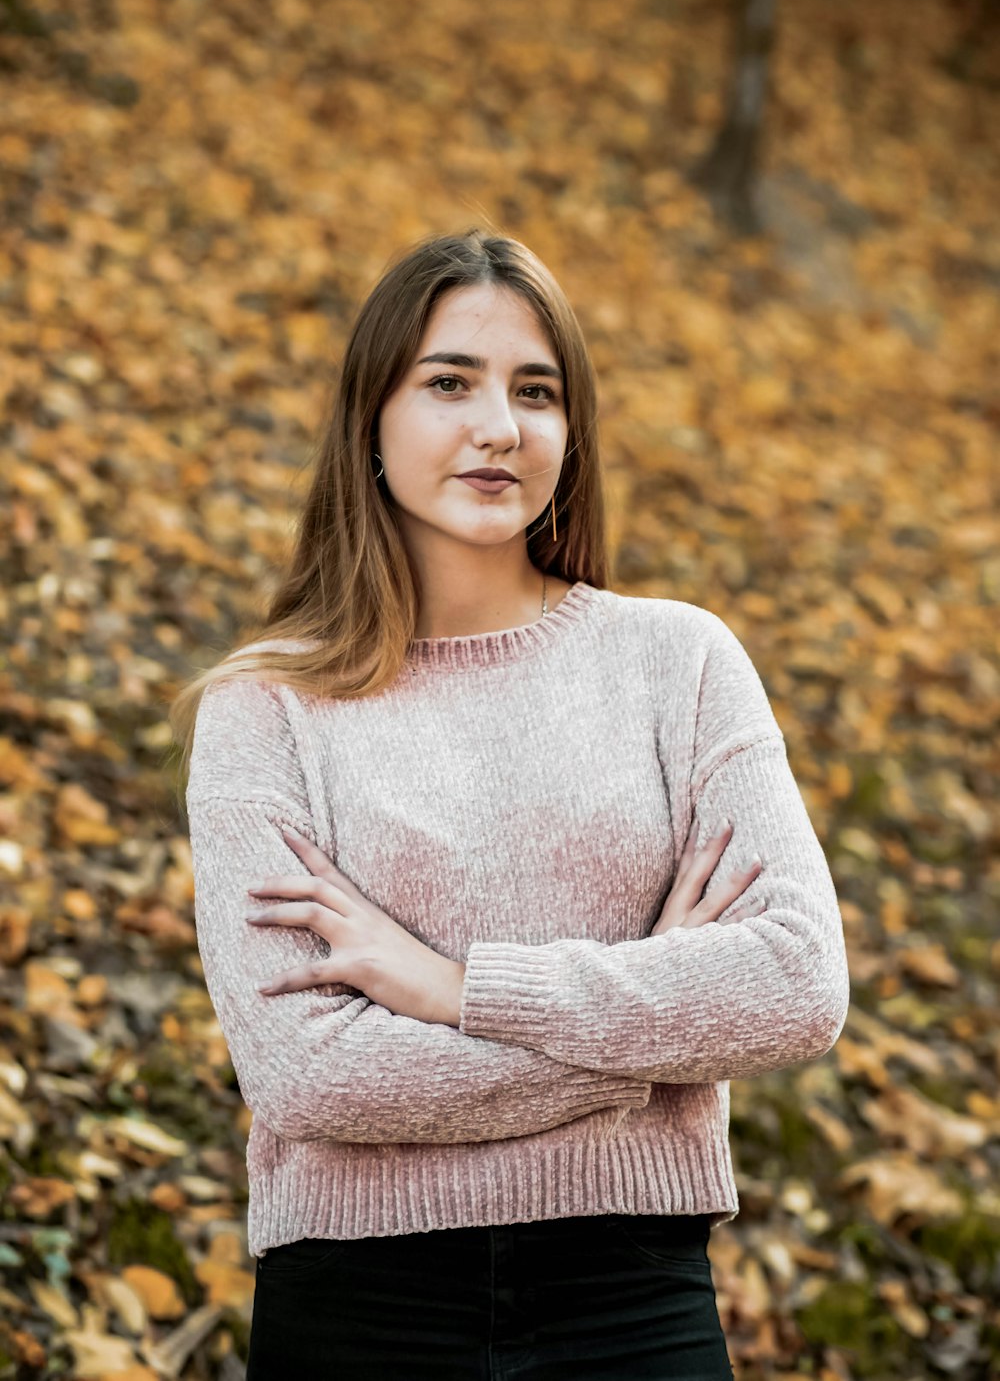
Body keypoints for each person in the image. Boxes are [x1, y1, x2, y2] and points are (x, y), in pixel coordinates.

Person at [170, 227, 850, 1379]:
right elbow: (311, 1076)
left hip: (631, 1299)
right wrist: (651, 1036)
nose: (498, 426)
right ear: (369, 423)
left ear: (569, 433)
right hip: (359, 1308)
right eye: (448, 382)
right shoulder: (265, 710)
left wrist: (456, 987)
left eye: (536, 392)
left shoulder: (676, 663)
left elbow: (795, 985)